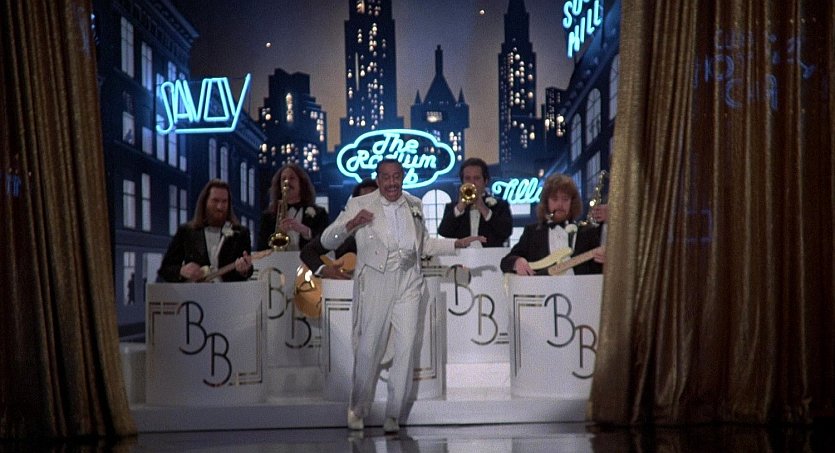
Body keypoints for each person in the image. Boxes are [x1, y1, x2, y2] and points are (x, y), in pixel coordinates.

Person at [320, 159, 484, 433]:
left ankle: (393, 415)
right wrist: (351, 224)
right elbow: (327, 240)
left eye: (396, 176)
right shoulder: (359, 204)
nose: (392, 182)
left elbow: (423, 245)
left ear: (403, 177)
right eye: (386, 177)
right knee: (368, 348)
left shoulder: (414, 204)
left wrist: (456, 243)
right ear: (378, 179)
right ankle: (357, 409)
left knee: (406, 349)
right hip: (376, 282)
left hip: (409, 282)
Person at [500, 173, 605, 276]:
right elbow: (505, 262)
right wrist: (517, 262)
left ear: (572, 203)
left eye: (565, 199)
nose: (560, 204)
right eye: (554, 199)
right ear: (546, 202)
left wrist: (606, 260)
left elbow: (598, 271)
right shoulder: (532, 232)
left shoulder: (587, 233)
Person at [158, 179, 253, 282]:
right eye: (215, 201)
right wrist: (182, 271)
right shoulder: (186, 231)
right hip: (195, 291)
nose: (220, 207)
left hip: (230, 291)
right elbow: (165, 269)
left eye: (224, 201)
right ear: (205, 202)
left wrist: (244, 270)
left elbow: (248, 270)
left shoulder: (241, 233)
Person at [299, 179, 378, 279]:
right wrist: (324, 270)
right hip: (344, 286)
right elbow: (307, 251)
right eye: (363, 200)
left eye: (373, 199)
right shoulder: (342, 230)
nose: (369, 204)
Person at [437, 157, 513, 247]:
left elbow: (506, 232)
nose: (472, 183)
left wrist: (483, 207)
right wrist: (460, 207)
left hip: (491, 255)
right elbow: (443, 232)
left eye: (477, 178)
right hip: (461, 255)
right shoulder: (453, 208)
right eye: (467, 178)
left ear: (485, 181)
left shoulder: (500, 206)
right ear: (462, 181)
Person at [258, 163, 329, 251]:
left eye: (292, 178)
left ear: (301, 183)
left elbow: (326, 242)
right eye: (283, 179)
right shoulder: (268, 217)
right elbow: (261, 249)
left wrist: (304, 230)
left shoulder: (319, 214)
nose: (287, 182)